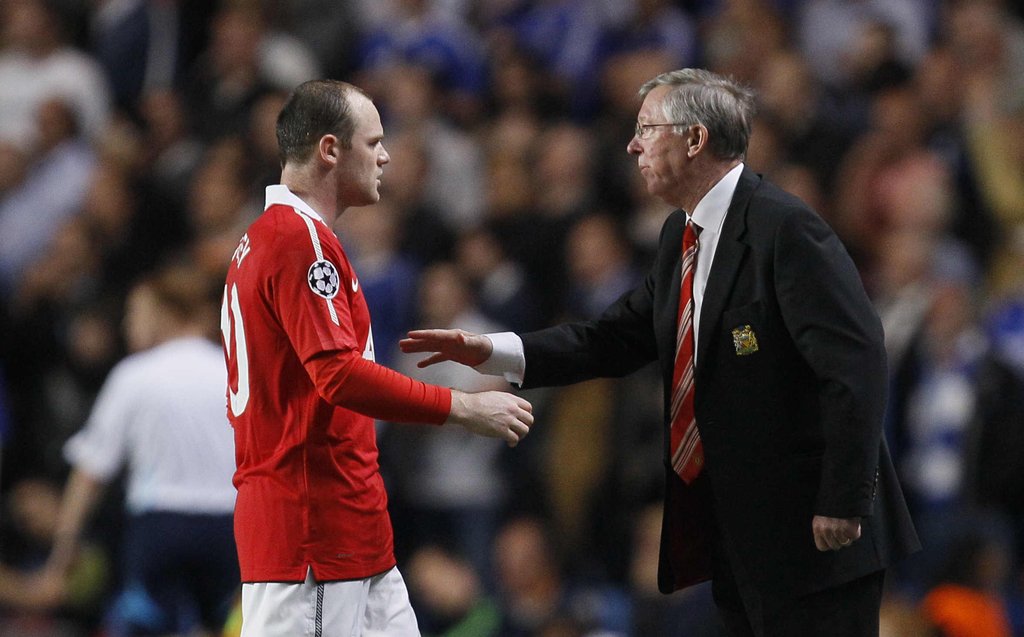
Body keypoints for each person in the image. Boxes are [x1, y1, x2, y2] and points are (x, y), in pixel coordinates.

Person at [401, 68, 921, 636]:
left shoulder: (786, 229)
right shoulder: (681, 236)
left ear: (695, 139)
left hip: (815, 533)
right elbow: (614, 337)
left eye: (647, 128)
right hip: (740, 537)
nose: (632, 145)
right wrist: (494, 350)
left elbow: (856, 363)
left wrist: (843, 499)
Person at [220, 79, 533, 637]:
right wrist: (462, 406)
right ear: (330, 150)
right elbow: (338, 375)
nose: (385, 156)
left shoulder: (278, 238)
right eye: (373, 142)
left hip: (352, 530)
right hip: (312, 532)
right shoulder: (298, 242)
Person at [32, 264, 239, 636]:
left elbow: (91, 472)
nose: (128, 324)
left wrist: (62, 552)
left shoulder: (135, 376)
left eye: (135, 313)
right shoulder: (232, 375)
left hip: (161, 527)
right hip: (230, 530)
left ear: (163, 314)